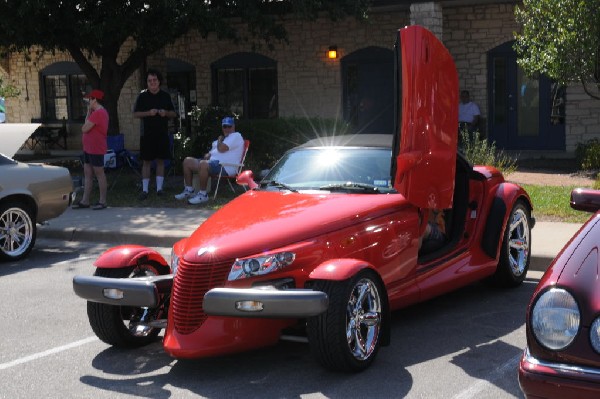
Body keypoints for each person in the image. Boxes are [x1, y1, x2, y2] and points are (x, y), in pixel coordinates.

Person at [175, 116, 245, 205]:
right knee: (187, 161)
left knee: (203, 164)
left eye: (229, 126)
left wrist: (219, 140)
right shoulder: (224, 139)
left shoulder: (236, 136)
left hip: (226, 167)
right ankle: (189, 190)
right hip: (212, 163)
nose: (227, 129)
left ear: (234, 127)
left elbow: (221, 148)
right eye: (225, 126)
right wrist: (208, 155)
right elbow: (210, 153)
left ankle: (203, 195)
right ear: (222, 127)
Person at [133, 69, 177, 200]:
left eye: (154, 80)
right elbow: (135, 114)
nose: (152, 82)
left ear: (159, 82)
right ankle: (145, 190)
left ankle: (159, 189)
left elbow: (174, 113)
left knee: (160, 161)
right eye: (149, 80)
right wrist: (148, 113)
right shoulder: (142, 96)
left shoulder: (165, 96)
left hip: (162, 133)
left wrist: (165, 113)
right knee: (146, 162)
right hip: (146, 134)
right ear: (146, 82)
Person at [73, 89, 109, 210]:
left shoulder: (99, 113)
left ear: (95, 100)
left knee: (99, 174)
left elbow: (84, 128)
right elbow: (86, 123)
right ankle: (85, 200)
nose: (88, 101)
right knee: (87, 174)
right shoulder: (94, 112)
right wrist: (89, 111)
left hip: (96, 148)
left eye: (89, 99)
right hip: (88, 148)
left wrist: (89, 112)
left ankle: (102, 201)